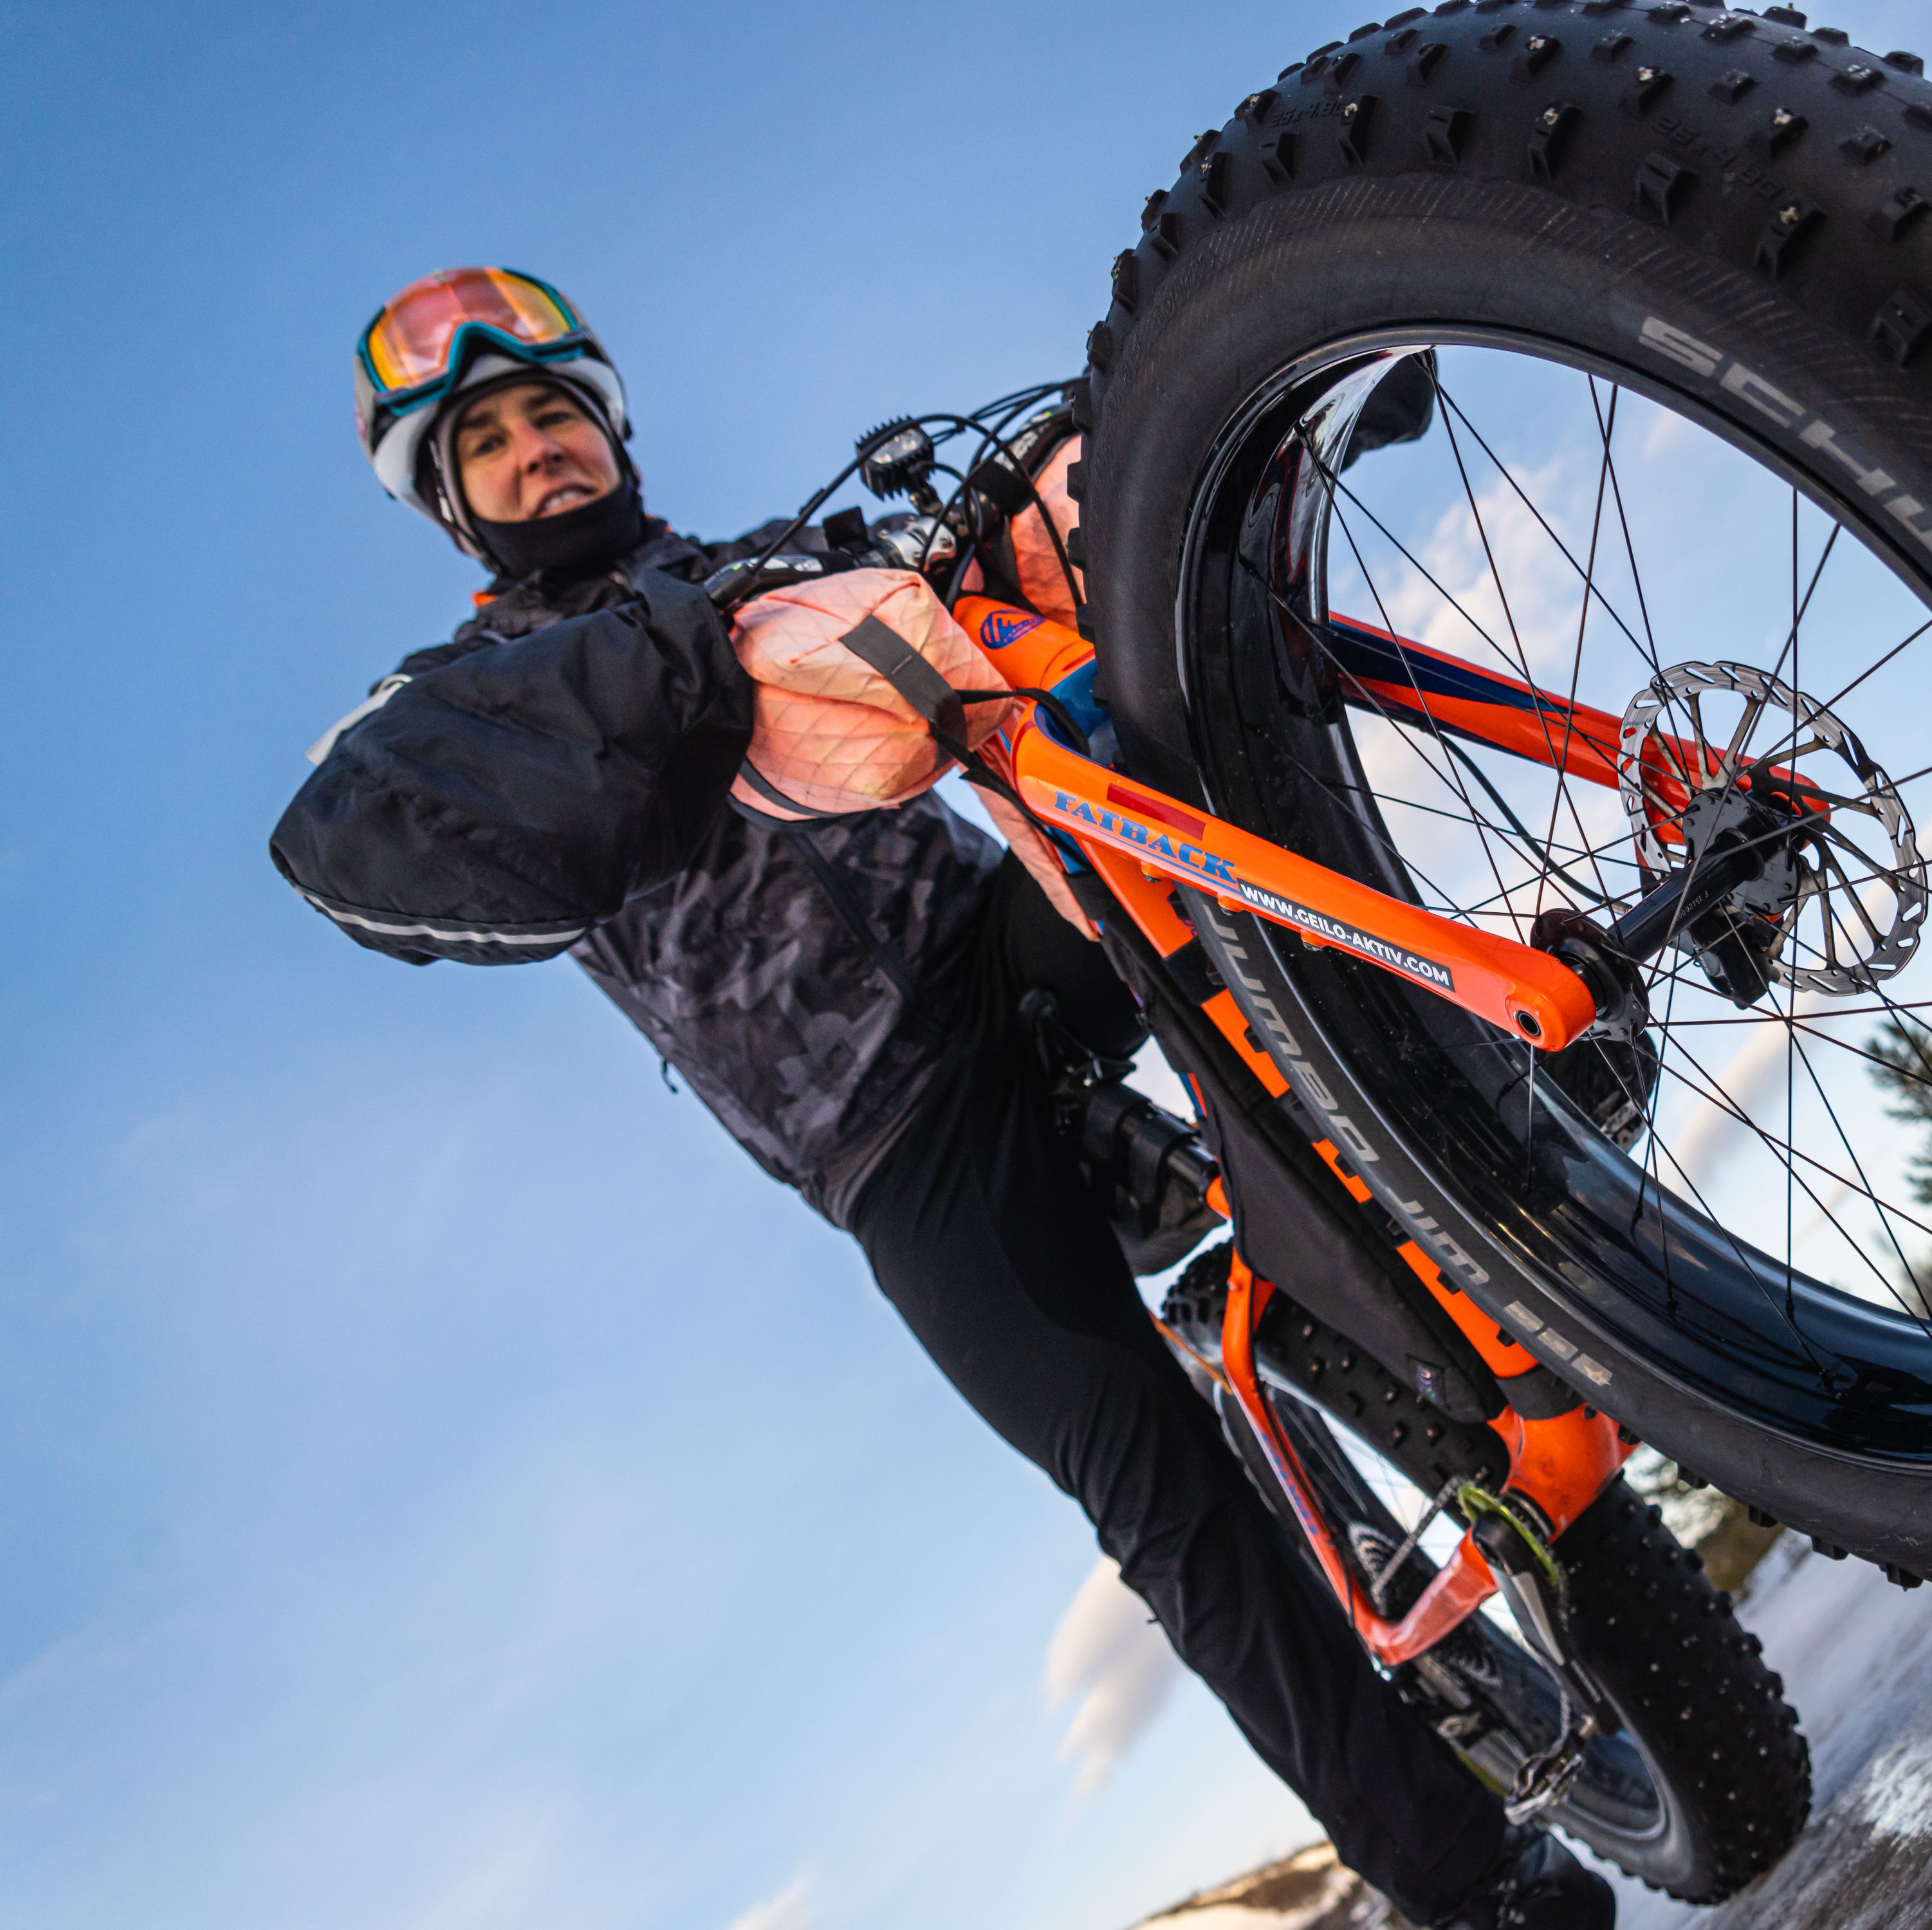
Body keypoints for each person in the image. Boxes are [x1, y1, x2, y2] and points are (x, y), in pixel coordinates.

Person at [271, 266, 1613, 1930]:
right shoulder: (464, 707)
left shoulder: (756, 563)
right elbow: (355, 835)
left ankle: (1488, 1056)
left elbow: (999, 582)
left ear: (610, 427)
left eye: (558, 412)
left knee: (1157, 760)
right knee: (1159, 1492)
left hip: (992, 944)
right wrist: (652, 662)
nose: (542, 450)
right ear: (447, 502)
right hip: (883, 1135)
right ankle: (1467, 1884)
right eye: (491, 440)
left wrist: (1211, 414)